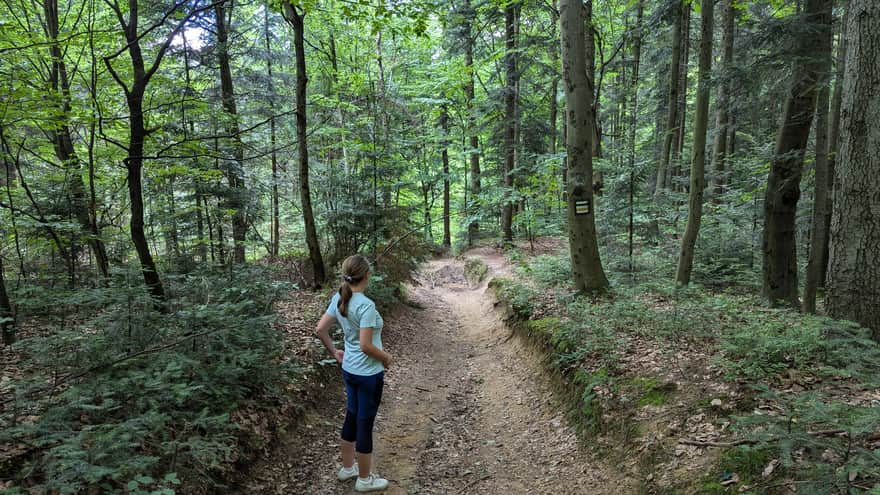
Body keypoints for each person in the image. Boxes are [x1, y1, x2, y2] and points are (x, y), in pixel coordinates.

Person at [315, 254, 393, 493]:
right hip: (368, 374)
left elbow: (320, 329)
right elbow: (366, 346)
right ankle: (365, 479)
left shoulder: (340, 297)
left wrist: (335, 352)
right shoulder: (366, 305)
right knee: (364, 422)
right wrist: (387, 358)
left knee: (352, 415)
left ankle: (348, 468)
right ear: (366, 275)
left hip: (349, 370)